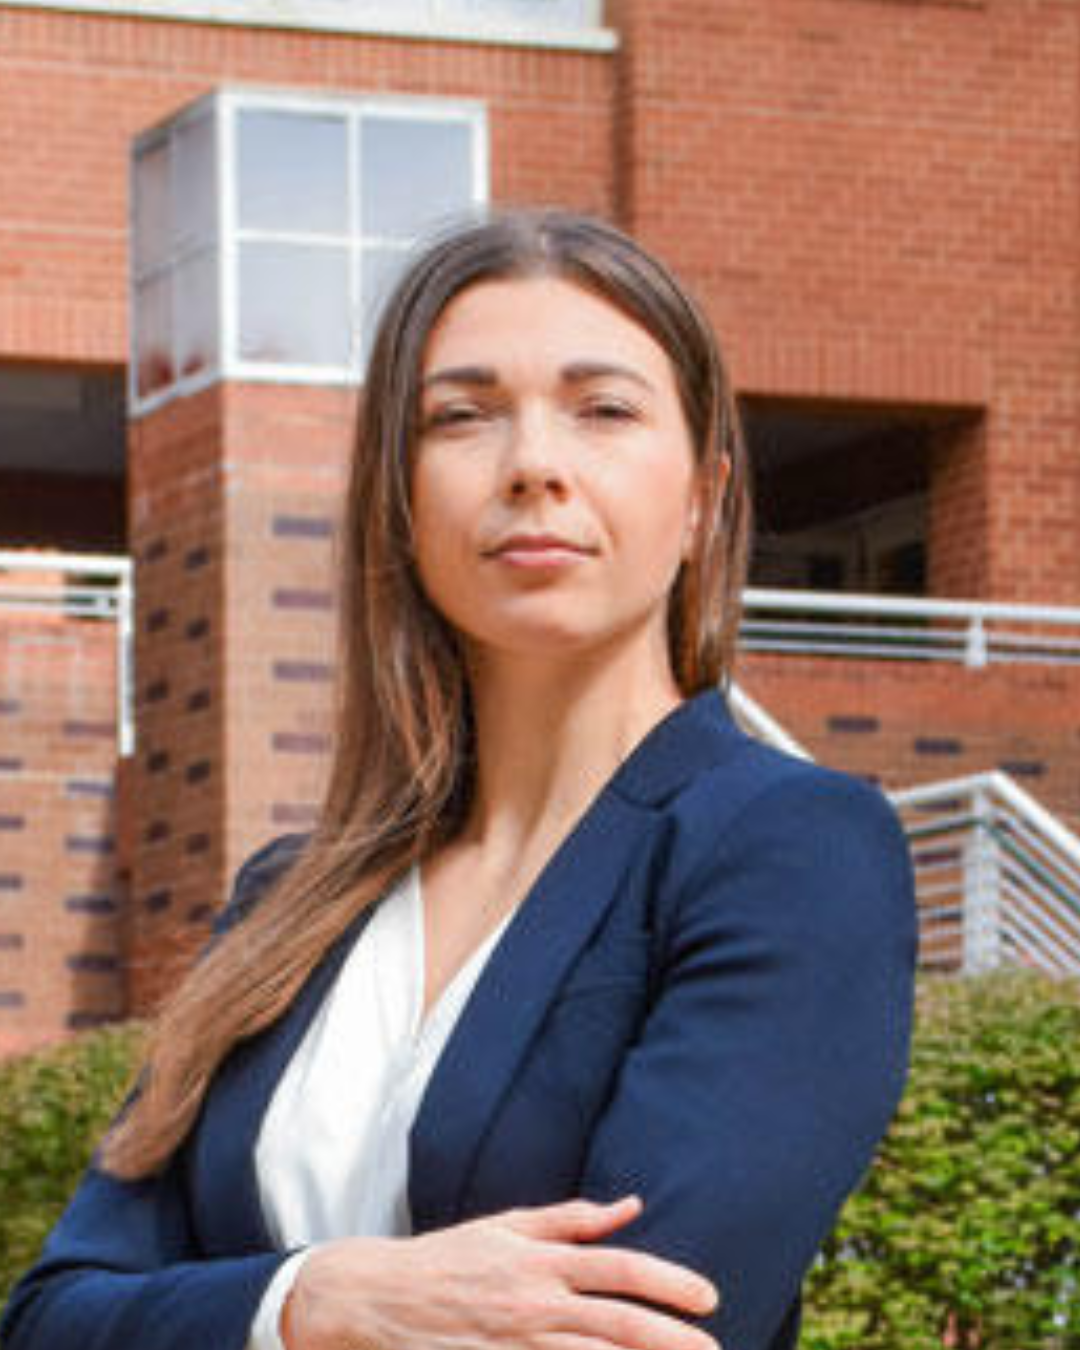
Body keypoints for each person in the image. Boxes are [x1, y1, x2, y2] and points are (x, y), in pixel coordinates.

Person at [0, 209, 916, 1350]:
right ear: (400, 495)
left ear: (702, 500)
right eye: (463, 416)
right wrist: (311, 1303)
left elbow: (634, 1329)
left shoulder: (787, 849)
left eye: (604, 410)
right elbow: (50, 1316)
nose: (533, 465)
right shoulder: (289, 902)